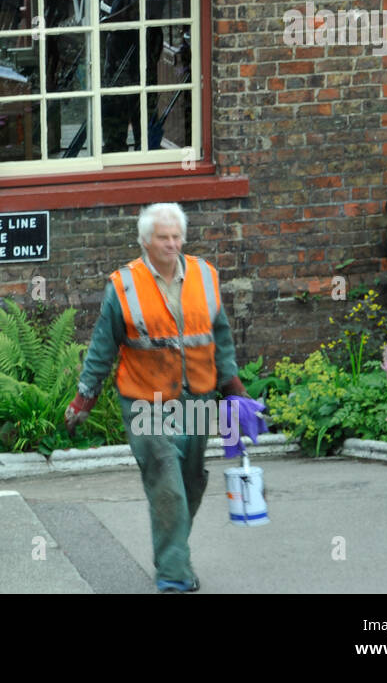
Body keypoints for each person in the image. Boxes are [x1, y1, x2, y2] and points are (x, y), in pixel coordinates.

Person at [64, 202, 246, 593]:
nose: (172, 244)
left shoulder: (205, 275)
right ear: (145, 241)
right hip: (146, 400)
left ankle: (173, 551)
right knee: (167, 482)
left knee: (191, 482)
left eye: (177, 236)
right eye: (163, 237)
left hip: (196, 397)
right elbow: (102, 347)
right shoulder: (124, 286)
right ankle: (174, 574)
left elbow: (221, 337)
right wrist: (84, 399)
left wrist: (233, 389)